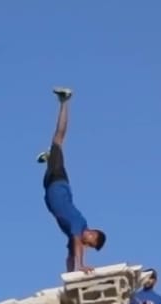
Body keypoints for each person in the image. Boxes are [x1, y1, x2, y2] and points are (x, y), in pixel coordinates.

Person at [37, 87, 106, 274]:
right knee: (58, 139)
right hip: (59, 182)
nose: (88, 245)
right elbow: (78, 244)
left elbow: (70, 255)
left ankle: (48, 158)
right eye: (92, 243)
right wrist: (82, 266)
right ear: (93, 234)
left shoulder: (72, 234)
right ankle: (65, 101)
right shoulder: (79, 223)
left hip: (50, 186)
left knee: (53, 154)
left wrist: (70, 276)